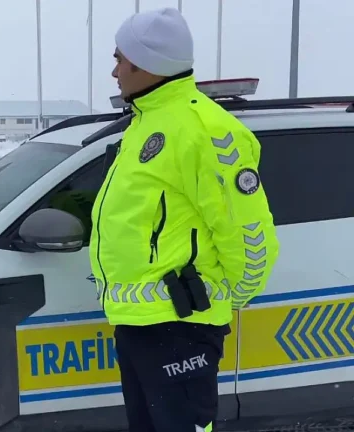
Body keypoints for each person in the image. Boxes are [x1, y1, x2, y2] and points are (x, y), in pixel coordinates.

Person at [89, 7, 279, 432]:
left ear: (147, 63)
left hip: (180, 324)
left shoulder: (205, 130)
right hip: (138, 324)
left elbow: (247, 229)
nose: (115, 72)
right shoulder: (145, 124)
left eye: (119, 58)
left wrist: (227, 298)